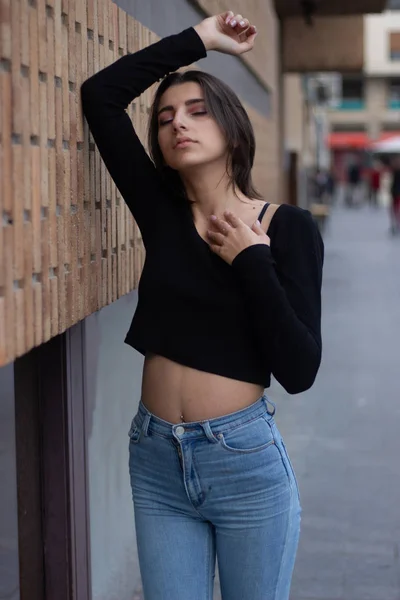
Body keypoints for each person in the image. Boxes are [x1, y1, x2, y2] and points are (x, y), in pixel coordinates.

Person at [81, 12, 324, 600]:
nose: (176, 124)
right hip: (156, 458)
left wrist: (251, 261)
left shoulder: (287, 229)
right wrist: (201, 41)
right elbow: (100, 96)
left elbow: (299, 370)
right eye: (165, 119)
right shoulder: (161, 212)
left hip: (244, 463)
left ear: (233, 131)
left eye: (196, 111)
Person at [390, 156, 400, 234]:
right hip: (394, 193)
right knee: (394, 210)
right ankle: (395, 224)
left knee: (397, 210)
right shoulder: (394, 171)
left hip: (397, 193)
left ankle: (397, 224)